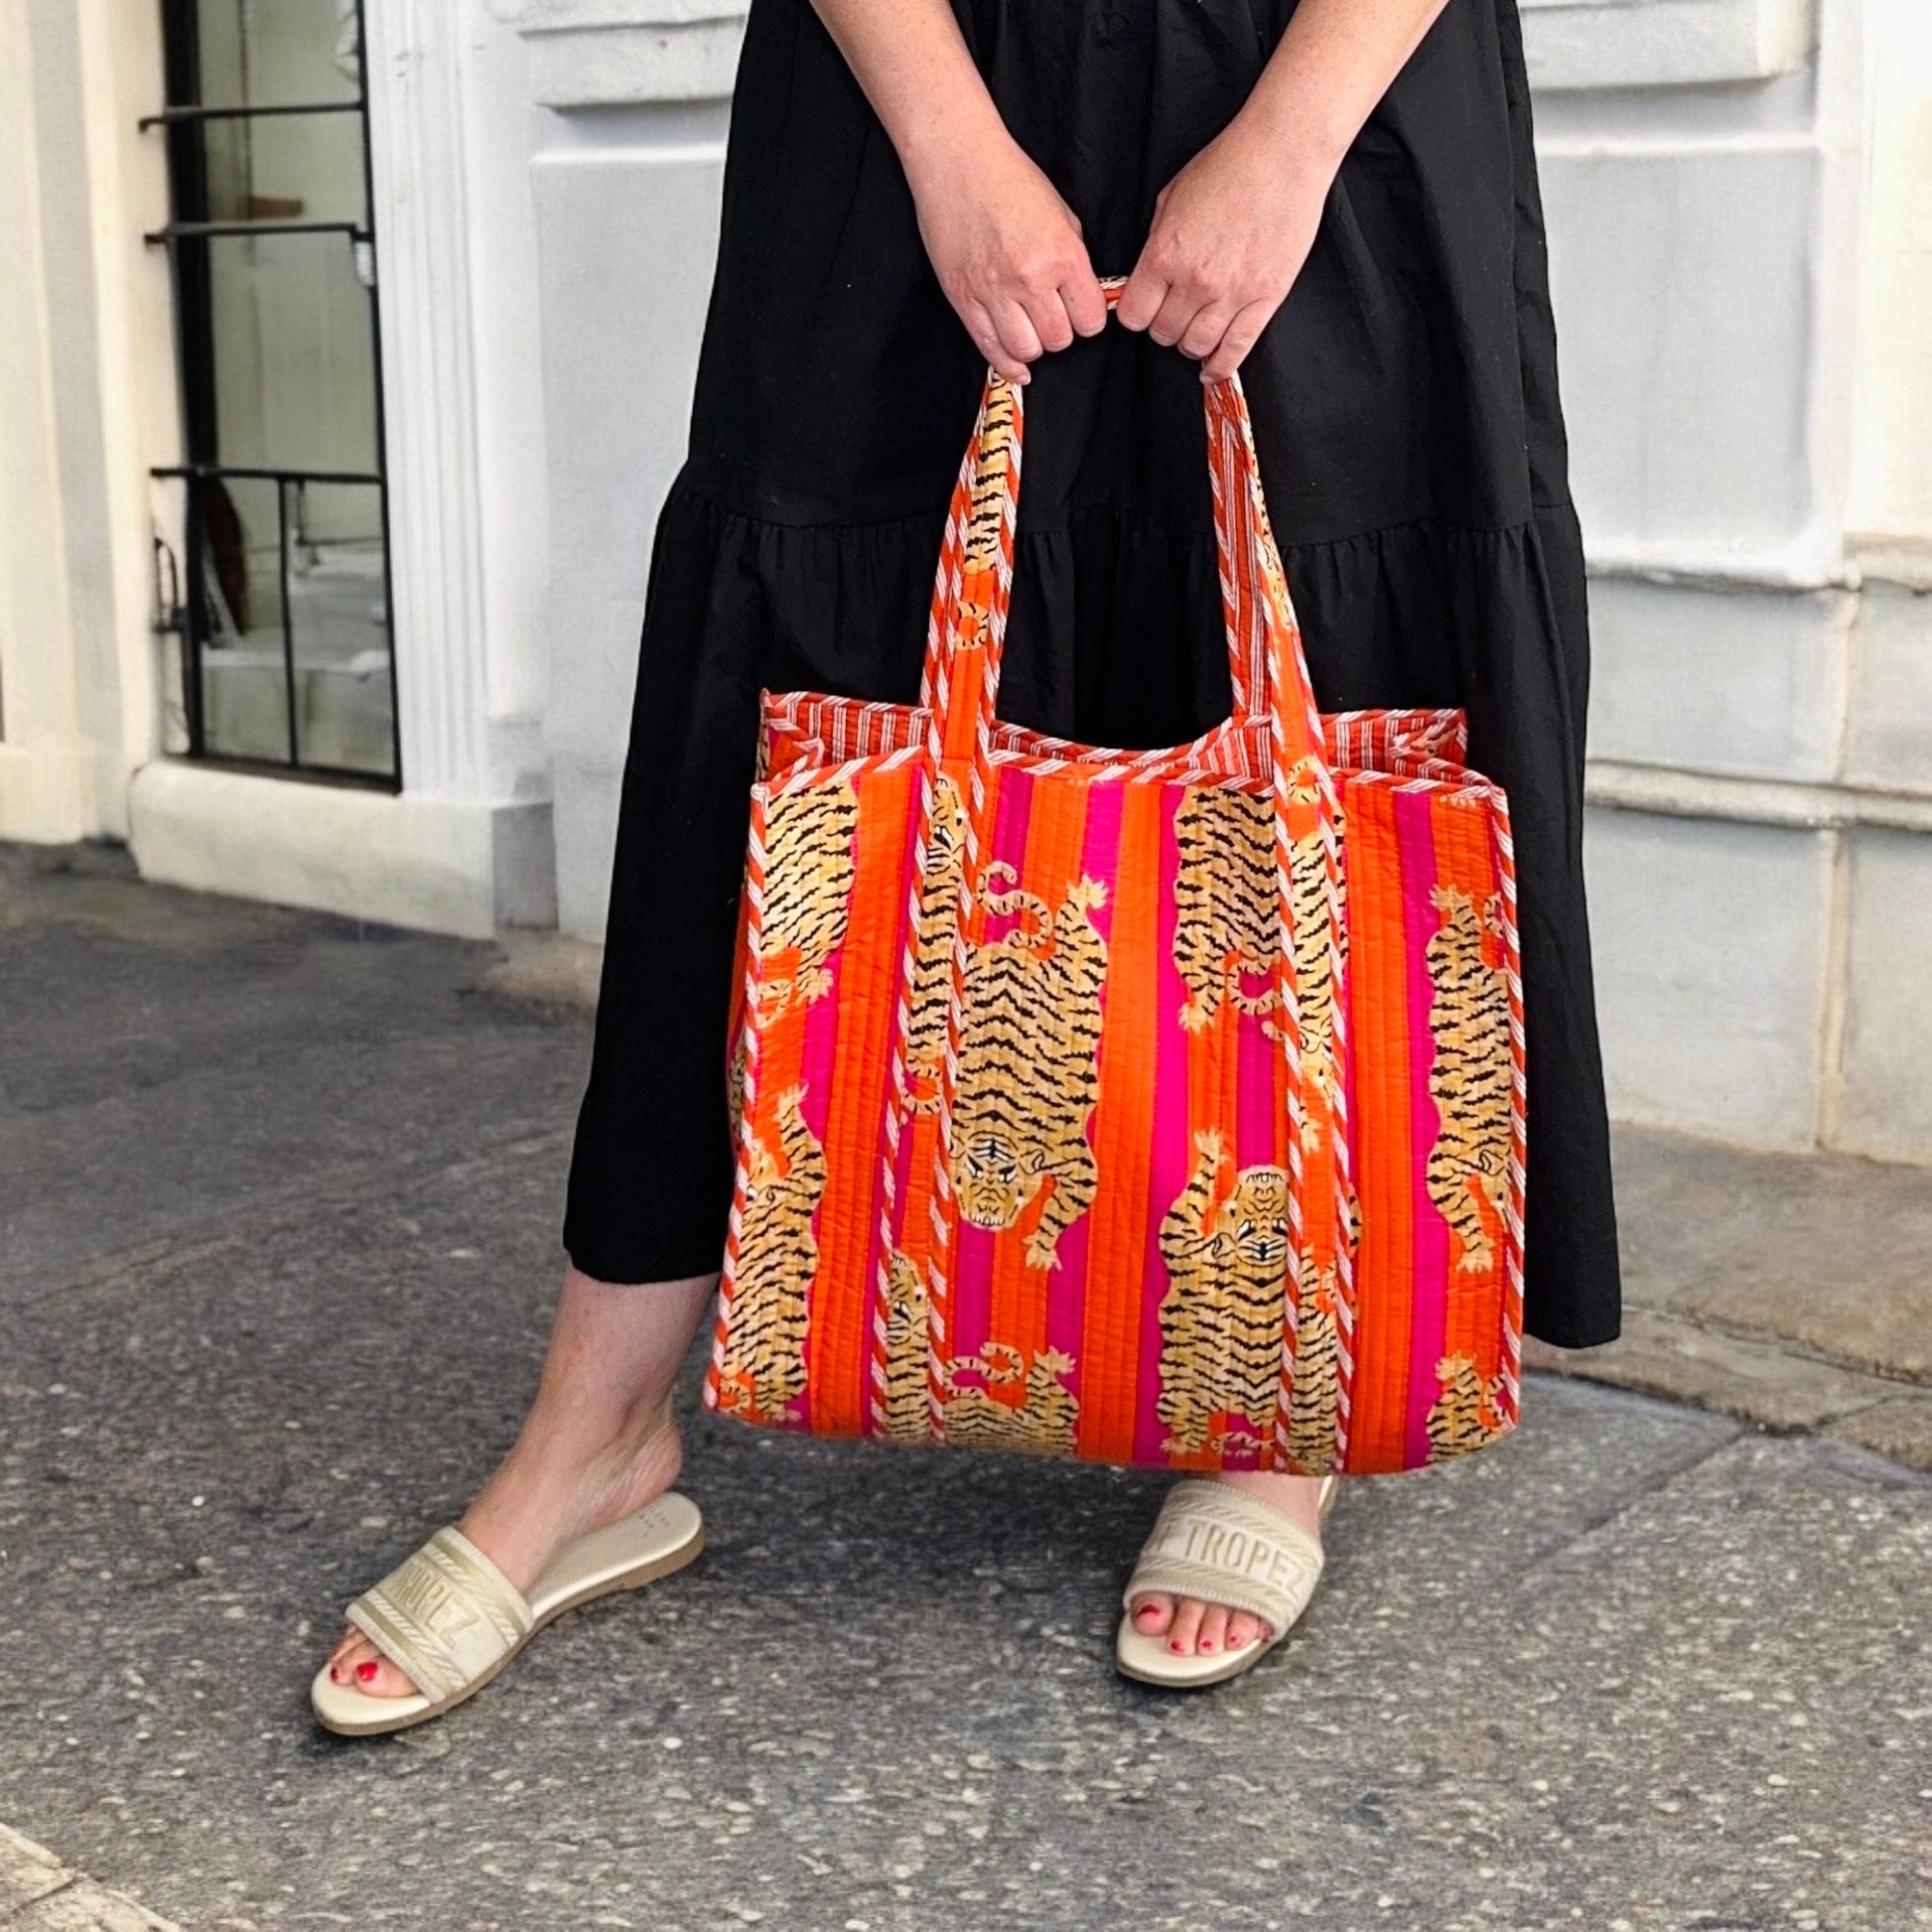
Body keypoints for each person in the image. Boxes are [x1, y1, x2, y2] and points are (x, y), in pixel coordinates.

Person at [314, 0, 1620, 1729]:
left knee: (1310, 670)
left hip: (1328, 80)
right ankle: (597, 1433)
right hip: (907, 72)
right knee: (787, 710)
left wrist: (1293, 135)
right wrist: (945, 137)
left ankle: (1273, 1403)